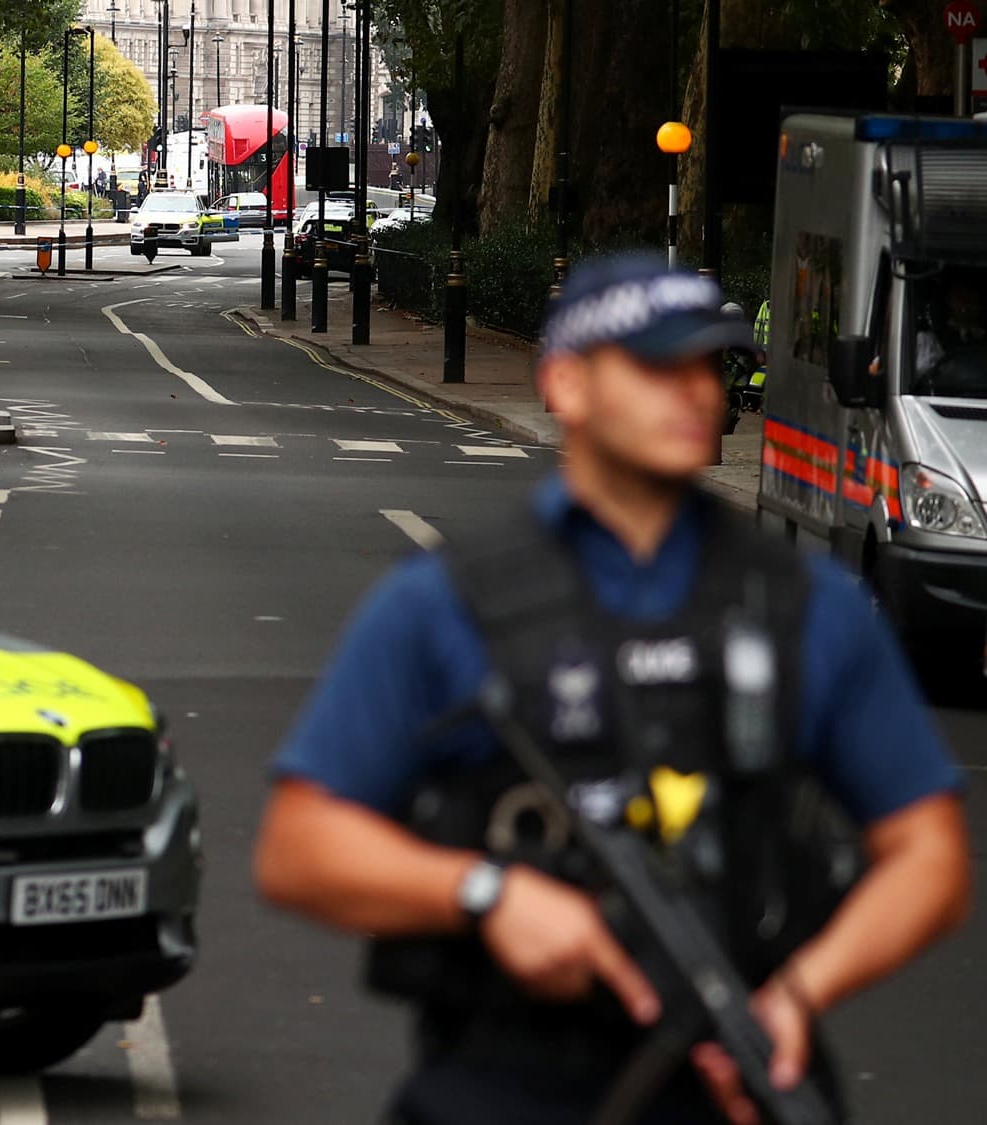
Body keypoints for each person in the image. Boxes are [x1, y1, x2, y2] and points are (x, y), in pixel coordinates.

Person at [254, 254, 970, 1125]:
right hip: (504, 1083)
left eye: (708, 367)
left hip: (732, 1084)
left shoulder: (806, 607)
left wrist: (797, 994)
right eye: (654, 367)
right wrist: (485, 893)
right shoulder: (445, 603)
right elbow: (300, 846)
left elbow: (929, 854)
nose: (694, 393)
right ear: (565, 381)